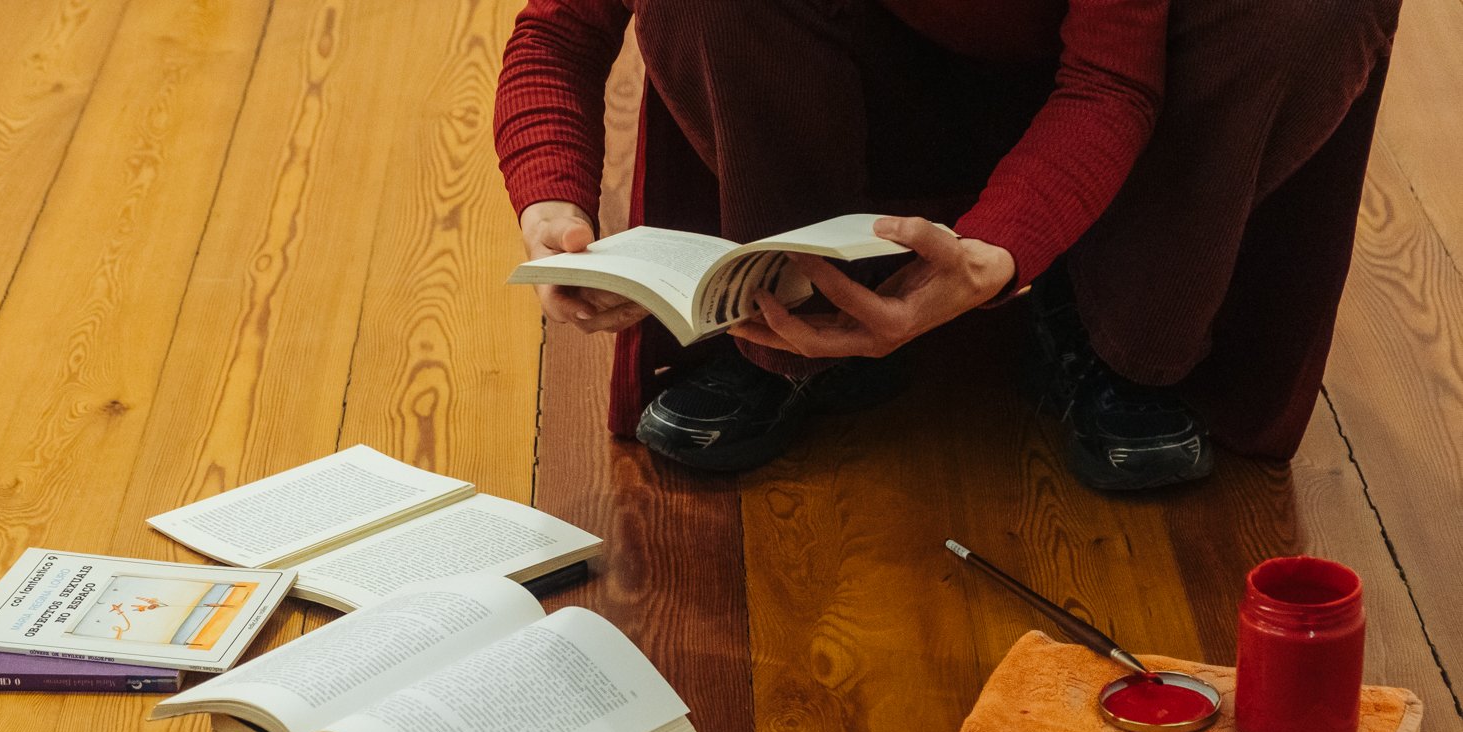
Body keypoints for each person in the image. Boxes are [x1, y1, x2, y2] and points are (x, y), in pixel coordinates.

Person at [494, 0, 1401, 489]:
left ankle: (1102, 319)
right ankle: (792, 311)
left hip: (1142, 97)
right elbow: (558, 31)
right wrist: (552, 210)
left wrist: (1006, 246)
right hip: (862, 69)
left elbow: (1112, 83)